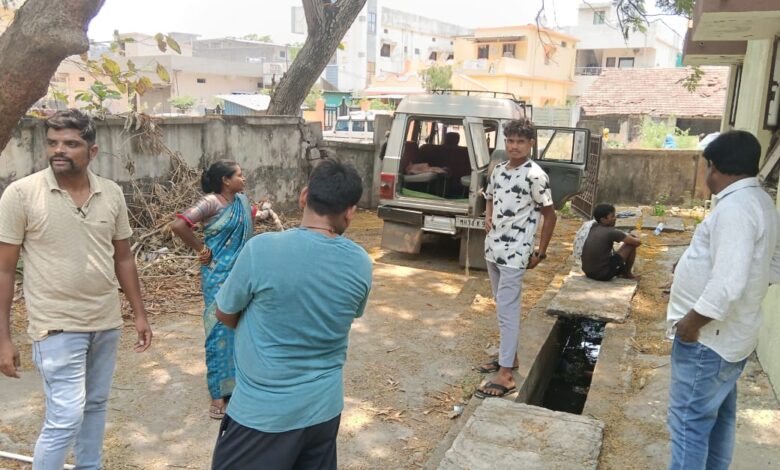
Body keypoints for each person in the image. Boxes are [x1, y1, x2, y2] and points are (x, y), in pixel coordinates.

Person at [0, 109, 152, 469]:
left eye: (70, 143)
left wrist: (140, 314)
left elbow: (124, 259)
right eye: (52, 143)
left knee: (96, 406)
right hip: (56, 325)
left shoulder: (111, 193)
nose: (59, 150)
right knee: (65, 417)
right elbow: (4, 269)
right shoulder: (21, 195)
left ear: (92, 151)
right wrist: (3, 337)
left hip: (105, 322)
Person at [209, 159, 372, 469]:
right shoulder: (361, 263)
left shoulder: (261, 250)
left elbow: (224, 313)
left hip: (262, 415)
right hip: (323, 411)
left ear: (304, 196)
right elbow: (347, 314)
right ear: (350, 211)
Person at [666, 130, 780, 469]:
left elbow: (728, 283)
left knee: (688, 425)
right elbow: (769, 264)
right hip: (732, 338)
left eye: (707, 168)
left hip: (707, 340)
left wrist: (691, 323)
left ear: (715, 167)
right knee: (716, 421)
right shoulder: (760, 201)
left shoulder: (736, 209)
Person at [475, 118, 557, 398]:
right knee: (502, 307)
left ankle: (507, 374)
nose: (514, 146)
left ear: (530, 144)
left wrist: (541, 251)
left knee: (508, 311)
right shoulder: (498, 170)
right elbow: (488, 195)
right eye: (510, 141)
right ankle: (510, 358)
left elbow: (550, 214)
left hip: (515, 252)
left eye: (520, 141)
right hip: (493, 249)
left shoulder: (535, 175)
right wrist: (488, 214)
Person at [170, 160, 255, 420]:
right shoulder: (210, 203)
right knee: (217, 329)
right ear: (226, 181)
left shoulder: (241, 201)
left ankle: (240, 384)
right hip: (217, 275)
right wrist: (201, 249)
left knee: (243, 328)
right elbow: (178, 225)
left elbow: (248, 224)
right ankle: (218, 392)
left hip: (243, 274)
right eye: (240, 175)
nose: (244, 179)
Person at [580, 203, 641, 281]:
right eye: (612, 216)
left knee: (628, 241)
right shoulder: (611, 232)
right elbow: (637, 242)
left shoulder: (593, 226)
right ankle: (627, 273)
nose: (615, 218)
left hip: (588, 272)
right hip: (603, 275)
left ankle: (622, 270)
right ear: (603, 220)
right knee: (631, 244)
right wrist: (633, 238)